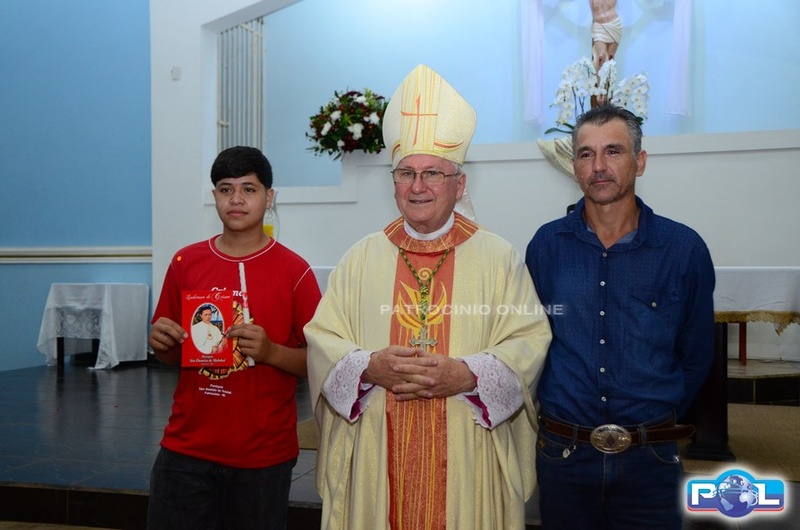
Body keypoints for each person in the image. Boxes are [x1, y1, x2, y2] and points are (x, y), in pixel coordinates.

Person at [305, 64, 552, 530]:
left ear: (459, 184)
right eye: (406, 173)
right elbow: (323, 340)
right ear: (393, 183)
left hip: (466, 453)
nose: (417, 187)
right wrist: (367, 367)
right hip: (378, 451)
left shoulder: (499, 257)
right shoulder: (360, 258)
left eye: (433, 173)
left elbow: (529, 341)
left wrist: (467, 374)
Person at [525, 105, 715, 529]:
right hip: (565, 455)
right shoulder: (546, 247)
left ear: (639, 161)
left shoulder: (682, 250)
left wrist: (652, 420)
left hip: (651, 459)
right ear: (574, 166)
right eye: (586, 154)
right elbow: (533, 338)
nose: (599, 166)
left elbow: (697, 352)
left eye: (613, 151)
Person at [146, 146, 322, 530]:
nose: (236, 199)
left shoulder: (294, 271)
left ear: (269, 197)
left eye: (249, 189)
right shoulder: (186, 262)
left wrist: (271, 352)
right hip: (187, 447)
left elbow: (319, 362)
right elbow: (171, 355)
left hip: (261, 454)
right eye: (226, 189)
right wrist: (162, 344)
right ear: (215, 197)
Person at [590, 0, 622, 74]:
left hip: (614, 24)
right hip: (599, 26)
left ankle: (609, 81)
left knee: (611, 58)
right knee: (600, 57)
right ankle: (596, 81)